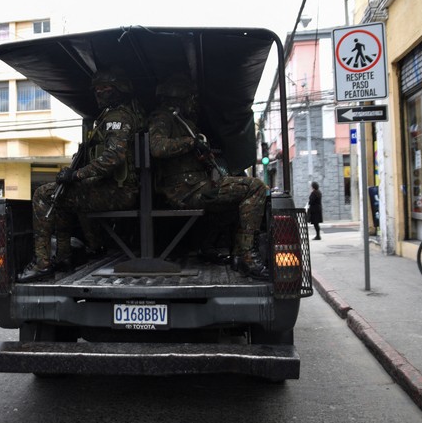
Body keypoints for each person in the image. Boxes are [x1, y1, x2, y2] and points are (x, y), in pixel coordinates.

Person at [18, 68, 146, 282]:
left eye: (105, 88)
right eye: (97, 88)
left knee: (43, 194)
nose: (99, 92)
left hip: (118, 191)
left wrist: (76, 175)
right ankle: (65, 257)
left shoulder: (118, 117)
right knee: (62, 197)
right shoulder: (114, 114)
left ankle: (42, 264)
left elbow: (113, 158)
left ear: (119, 90)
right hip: (116, 188)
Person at [148, 74, 268, 280]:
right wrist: (191, 143)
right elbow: (157, 147)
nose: (192, 103)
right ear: (179, 96)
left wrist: (203, 156)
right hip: (185, 191)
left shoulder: (182, 121)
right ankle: (247, 255)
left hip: (195, 186)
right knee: (255, 187)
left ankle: (220, 251)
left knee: (235, 202)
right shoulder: (163, 118)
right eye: (189, 98)